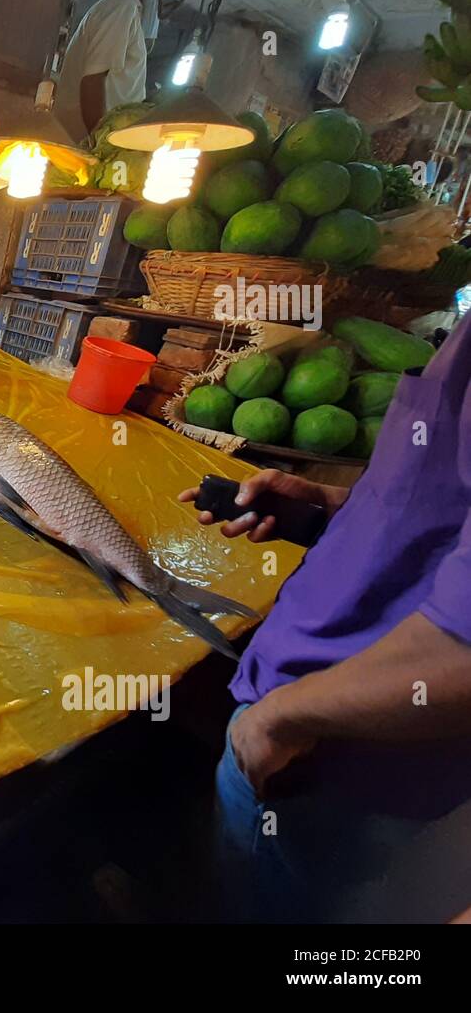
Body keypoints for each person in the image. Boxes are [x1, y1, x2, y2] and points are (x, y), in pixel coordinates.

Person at [179, 315, 471, 923]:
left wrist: (274, 723)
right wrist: (333, 508)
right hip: (302, 728)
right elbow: (439, 503)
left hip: (333, 760)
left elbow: (461, 656)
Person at [53, 0, 182, 140]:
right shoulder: (121, 9)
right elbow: (92, 81)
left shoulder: (122, 9)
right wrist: (100, 145)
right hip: (82, 144)